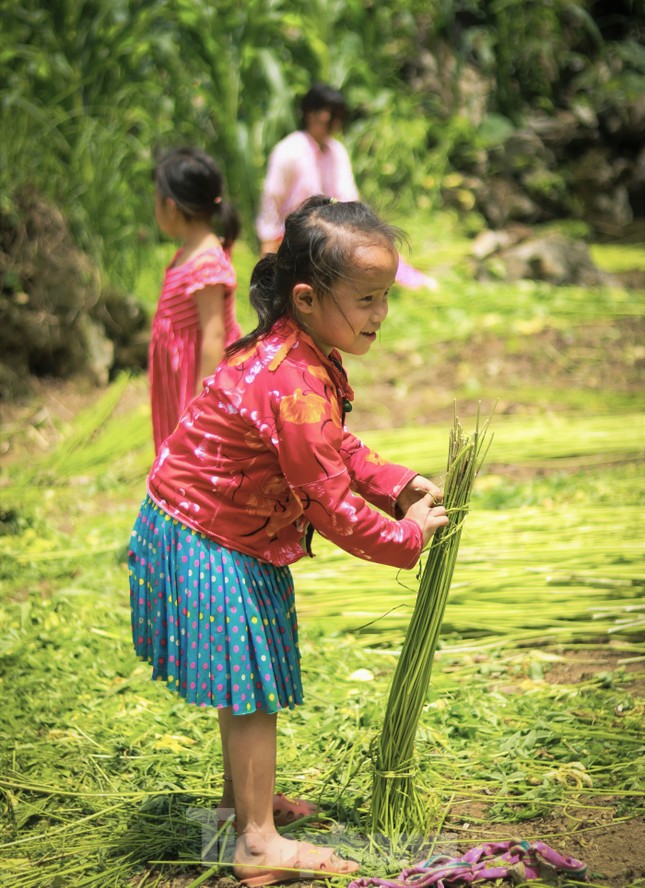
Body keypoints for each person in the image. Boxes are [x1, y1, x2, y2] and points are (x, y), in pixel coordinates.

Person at [129, 196, 448, 886]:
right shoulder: (295, 382)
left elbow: (332, 448)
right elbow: (327, 501)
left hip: (213, 527)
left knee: (248, 687)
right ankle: (255, 842)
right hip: (209, 535)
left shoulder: (302, 354)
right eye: (365, 299)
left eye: (384, 298)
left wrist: (396, 484)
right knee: (249, 692)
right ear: (305, 297)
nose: (379, 314)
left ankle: (238, 806)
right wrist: (406, 536)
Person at [256, 83, 437, 290]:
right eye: (330, 116)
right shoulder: (289, 151)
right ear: (310, 114)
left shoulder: (337, 151)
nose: (334, 123)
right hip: (296, 239)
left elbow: (348, 195)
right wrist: (267, 252)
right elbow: (272, 199)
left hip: (334, 233)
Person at [149, 146, 243, 454]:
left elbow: (214, 332)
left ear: (171, 207)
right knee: (175, 448)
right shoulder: (188, 252)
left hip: (195, 377)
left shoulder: (206, 262)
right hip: (177, 375)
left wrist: (200, 401)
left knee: (194, 453)